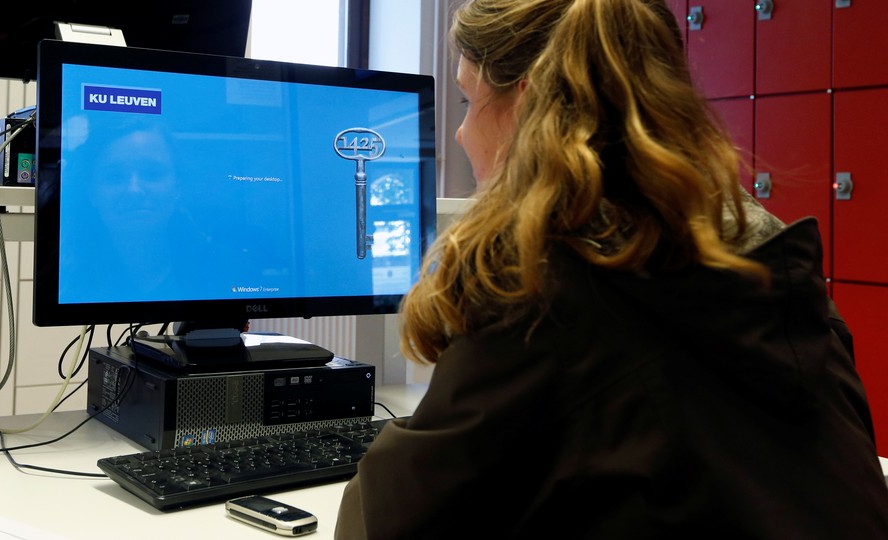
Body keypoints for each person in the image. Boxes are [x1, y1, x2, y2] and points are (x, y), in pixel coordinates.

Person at [335, 0, 888, 538]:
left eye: (466, 101)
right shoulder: (766, 254)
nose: (460, 133)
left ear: (527, 108)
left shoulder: (541, 285)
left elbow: (391, 521)